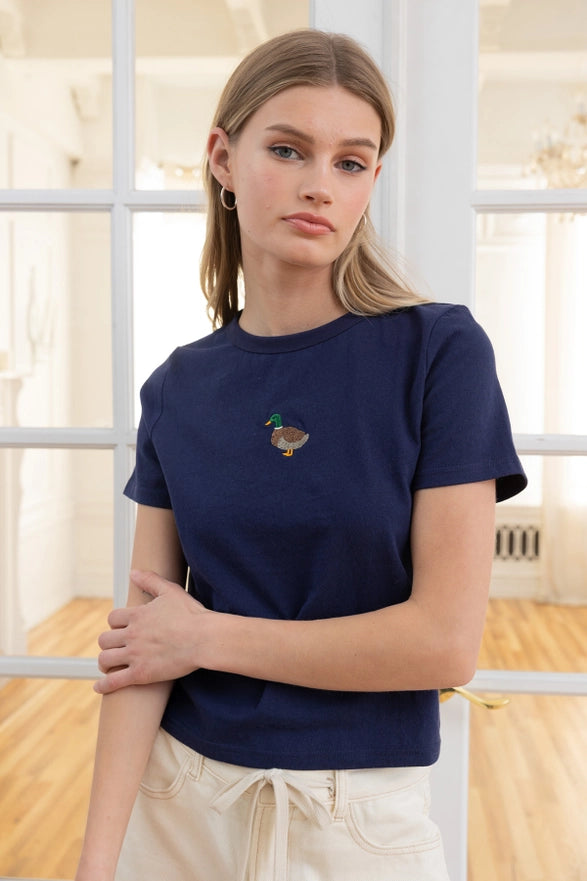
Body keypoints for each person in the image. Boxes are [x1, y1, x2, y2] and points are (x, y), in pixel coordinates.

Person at [75, 28, 526, 881]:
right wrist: (95, 862)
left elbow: (442, 643)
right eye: (288, 149)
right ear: (222, 156)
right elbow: (145, 651)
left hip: (352, 828)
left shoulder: (438, 353)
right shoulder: (178, 386)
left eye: (351, 162)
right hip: (175, 812)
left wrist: (208, 637)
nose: (320, 184)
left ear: (371, 183)